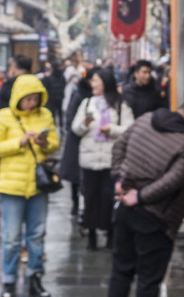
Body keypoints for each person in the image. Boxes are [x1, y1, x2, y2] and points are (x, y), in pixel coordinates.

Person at [107, 95, 184, 297]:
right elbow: (173, 181)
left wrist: (119, 180)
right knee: (148, 281)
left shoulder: (145, 118)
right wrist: (139, 197)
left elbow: (118, 146)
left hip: (125, 209)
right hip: (155, 219)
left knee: (121, 272)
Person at [0, 74, 60, 297]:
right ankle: (8, 280)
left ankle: (34, 277)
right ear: (18, 98)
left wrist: (44, 142)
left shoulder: (45, 115)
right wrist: (19, 142)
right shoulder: (4, 116)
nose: (32, 104)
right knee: (11, 237)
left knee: (37, 234)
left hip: (38, 184)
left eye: (36, 99)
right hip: (11, 185)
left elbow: (55, 143)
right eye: (28, 99)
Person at [71, 68, 134, 251]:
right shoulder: (87, 103)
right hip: (89, 159)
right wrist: (85, 123)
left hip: (111, 161)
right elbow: (75, 129)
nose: (93, 84)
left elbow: (130, 131)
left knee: (109, 199)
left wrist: (112, 129)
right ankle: (91, 235)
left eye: (96, 80)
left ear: (105, 82)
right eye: (92, 81)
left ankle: (110, 235)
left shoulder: (121, 105)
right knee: (90, 198)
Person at [58, 71, 92, 222]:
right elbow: (71, 119)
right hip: (77, 141)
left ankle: (83, 207)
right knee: (76, 178)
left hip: (91, 142)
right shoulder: (79, 95)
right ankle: (75, 204)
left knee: (84, 179)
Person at [40, 60, 66, 128]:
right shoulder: (61, 76)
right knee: (59, 114)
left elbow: (45, 86)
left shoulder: (49, 77)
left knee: (53, 114)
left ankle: (54, 126)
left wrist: (46, 77)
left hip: (52, 99)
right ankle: (60, 126)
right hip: (59, 98)